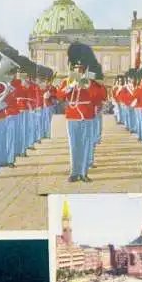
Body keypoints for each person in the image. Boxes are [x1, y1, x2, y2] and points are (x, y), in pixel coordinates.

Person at [56, 43, 100, 182]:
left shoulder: (91, 80)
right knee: (74, 145)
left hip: (87, 115)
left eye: (81, 68)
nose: (78, 70)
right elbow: (59, 96)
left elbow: (98, 96)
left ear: (85, 68)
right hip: (73, 115)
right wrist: (69, 87)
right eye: (76, 67)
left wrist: (88, 86)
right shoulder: (67, 81)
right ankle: (74, 172)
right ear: (72, 67)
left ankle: (84, 173)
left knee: (86, 144)